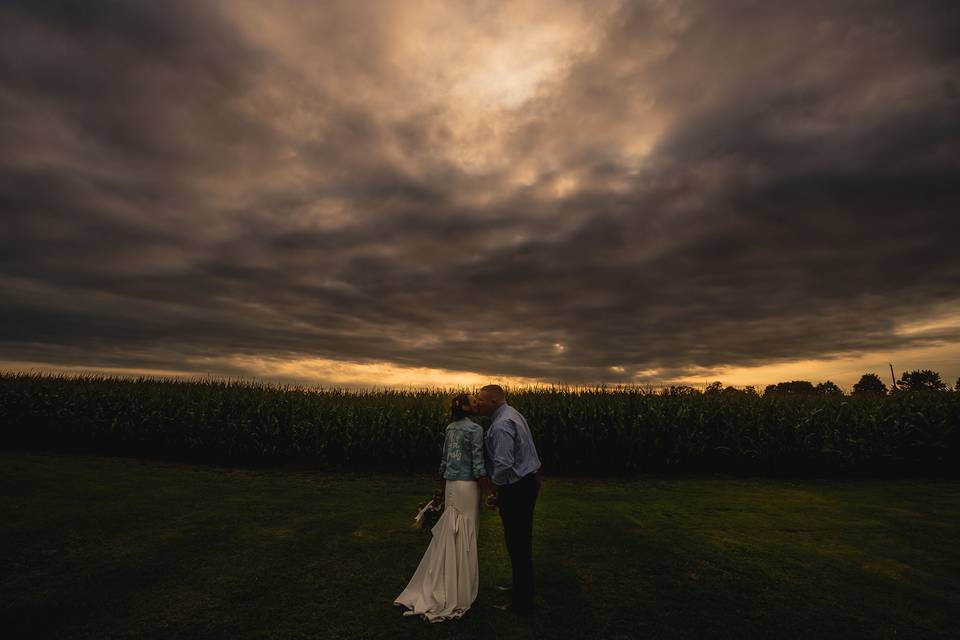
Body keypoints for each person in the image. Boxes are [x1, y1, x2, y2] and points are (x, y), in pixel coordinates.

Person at [394, 394, 493, 622]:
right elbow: (478, 466)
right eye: (473, 401)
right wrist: (489, 492)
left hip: (451, 486)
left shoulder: (450, 428)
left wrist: (439, 490)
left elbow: (444, 463)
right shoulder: (475, 430)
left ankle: (442, 582)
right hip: (467, 487)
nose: (476, 403)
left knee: (451, 533)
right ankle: (457, 590)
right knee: (465, 535)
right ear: (467, 408)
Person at [475, 384, 542, 614]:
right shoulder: (512, 414)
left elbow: (503, 465)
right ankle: (521, 586)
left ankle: (522, 601)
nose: (477, 403)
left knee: (517, 541)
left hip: (517, 488)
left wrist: (494, 492)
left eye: (481, 400)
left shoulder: (502, 424)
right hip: (527, 482)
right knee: (520, 540)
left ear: (493, 401)